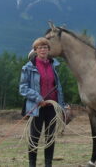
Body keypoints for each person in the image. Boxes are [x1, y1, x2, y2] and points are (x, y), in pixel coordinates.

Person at [19, 37, 65, 167]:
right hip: (36, 107)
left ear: (49, 50)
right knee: (34, 137)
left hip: (52, 106)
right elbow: (23, 88)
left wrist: (62, 105)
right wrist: (38, 98)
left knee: (50, 138)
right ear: (35, 50)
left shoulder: (53, 66)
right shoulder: (28, 67)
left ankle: (48, 164)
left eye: (45, 47)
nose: (43, 50)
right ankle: (32, 164)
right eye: (40, 47)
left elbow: (58, 87)